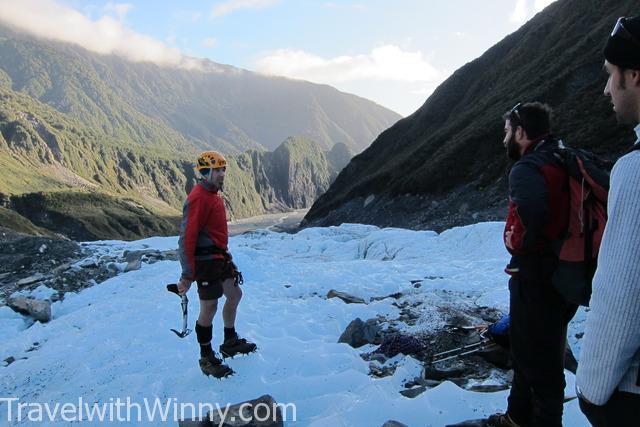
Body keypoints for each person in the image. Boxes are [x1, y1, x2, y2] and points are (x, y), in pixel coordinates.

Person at [487, 102, 578, 427]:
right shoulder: (561, 157)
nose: (505, 139)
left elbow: (534, 217)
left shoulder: (527, 169)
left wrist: (517, 241)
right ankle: (515, 418)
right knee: (531, 353)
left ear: (521, 132)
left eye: (508, 132)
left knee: (542, 370)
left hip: (536, 280)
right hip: (563, 277)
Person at [575, 16, 640, 426]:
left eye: (610, 75)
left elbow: (622, 297)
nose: (606, 88)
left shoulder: (634, 172)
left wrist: (592, 392)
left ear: (634, 75)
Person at [177, 151, 256, 378]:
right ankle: (206, 356)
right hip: (205, 262)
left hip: (218, 258)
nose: (222, 174)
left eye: (223, 169)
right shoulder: (198, 198)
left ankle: (229, 341)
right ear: (205, 173)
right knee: (209, 308)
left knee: (234, 294)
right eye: (217, 170)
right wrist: (187, 275)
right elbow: (186, 237)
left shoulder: (212, 196)